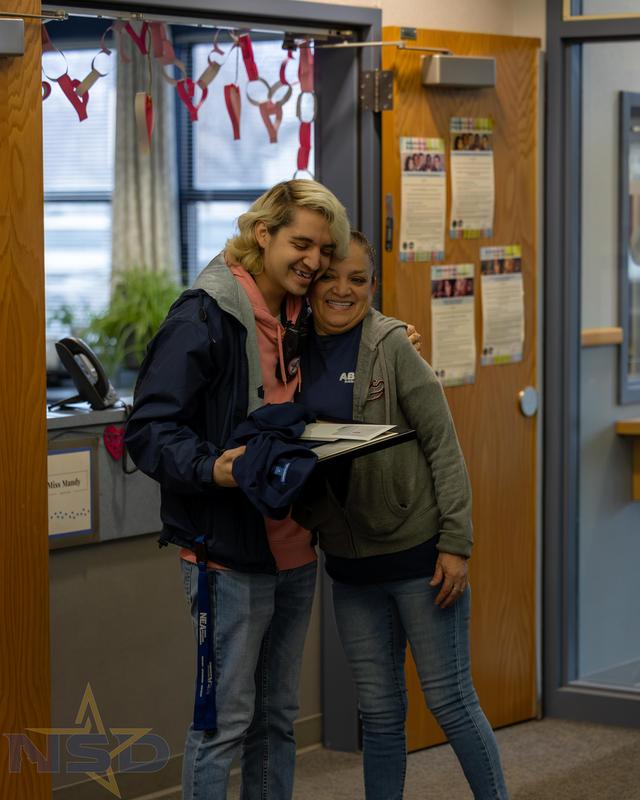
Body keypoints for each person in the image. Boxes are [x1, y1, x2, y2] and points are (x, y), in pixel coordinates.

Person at [125, 179, 350, 800]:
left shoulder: (301, 315)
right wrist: (214, 468)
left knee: (276, 720)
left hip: (294, 546)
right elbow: (148, 431)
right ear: (263, 234)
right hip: (225, 553)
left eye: (323, 249)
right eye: (301, 244)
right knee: (223, 724)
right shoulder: (204, 314)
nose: (313, 261)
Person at [295, 231, 509, 800]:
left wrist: (456, 543)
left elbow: (443, 444)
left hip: (421, 560)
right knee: (380, 713)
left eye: (357, 279)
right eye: (329, 277)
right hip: (349, 566)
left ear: (373, 286)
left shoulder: (391, 345)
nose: (342, 290)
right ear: (310, 284)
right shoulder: (292, 349)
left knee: (450, 700)